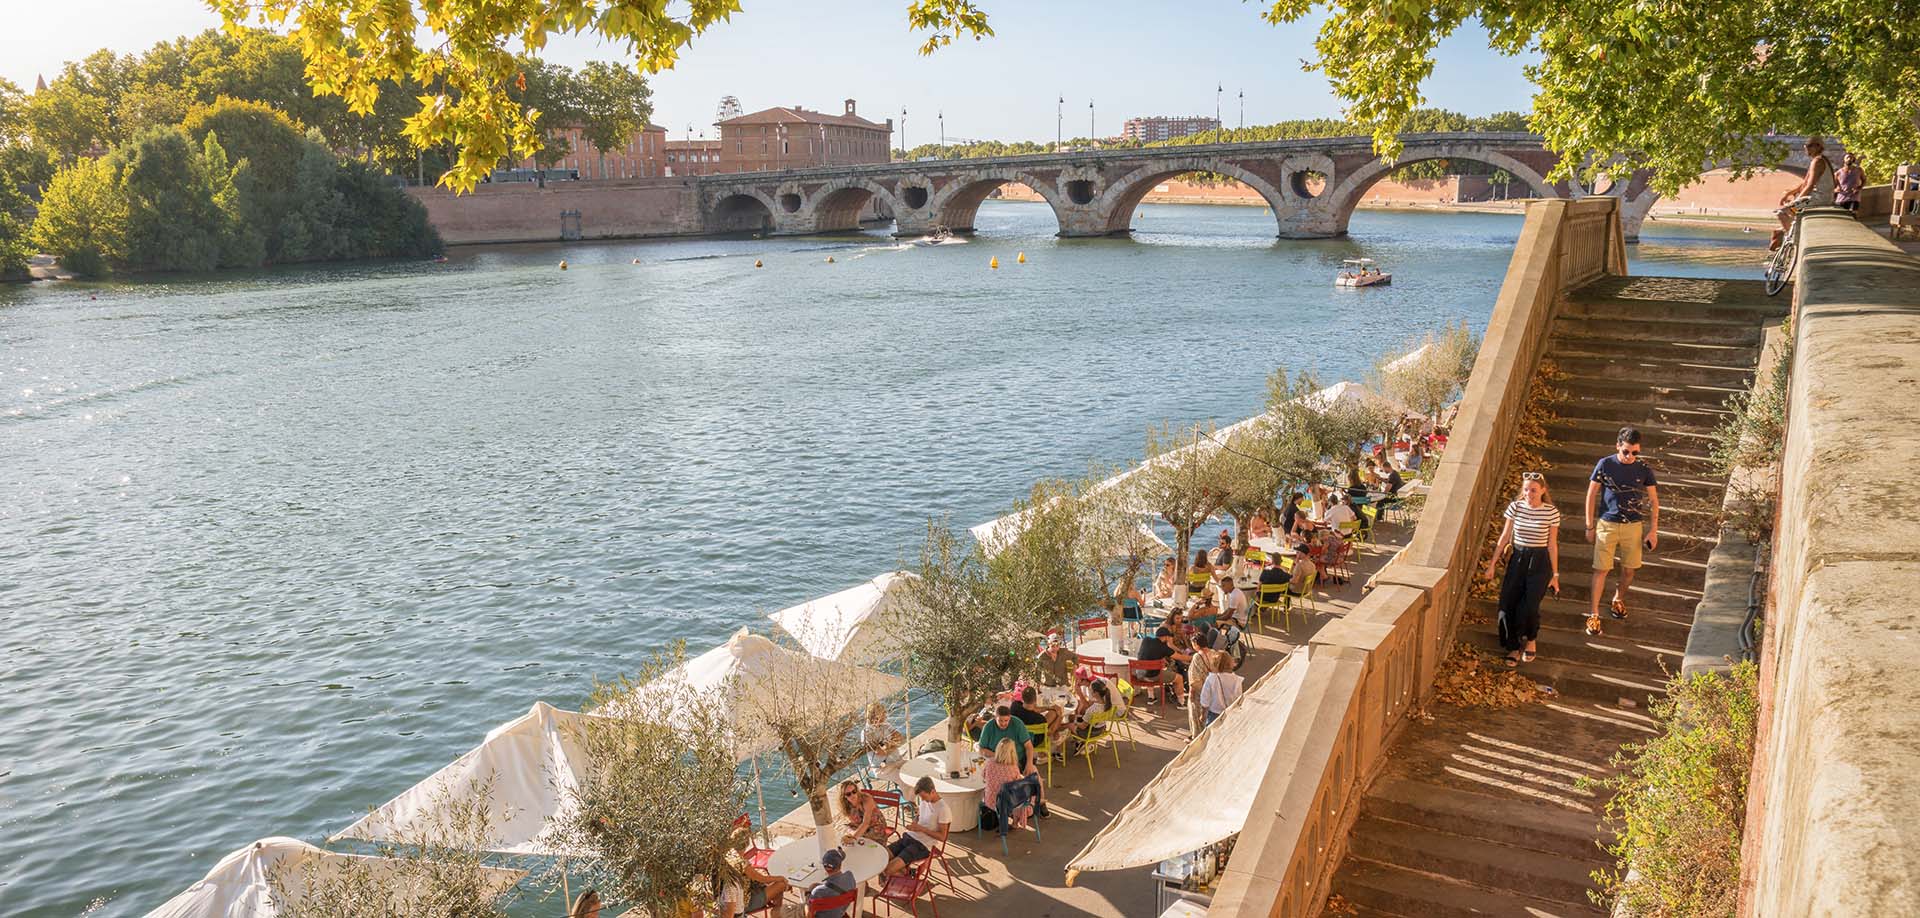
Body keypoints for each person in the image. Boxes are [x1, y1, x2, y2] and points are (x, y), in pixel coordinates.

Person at [1585, 427, 1659, 635]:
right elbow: (1591, 494)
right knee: (1601, 569)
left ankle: (1618, 599)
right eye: (1626, 451)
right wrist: (1589, 525)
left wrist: (1653, 530)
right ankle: (1593, 614)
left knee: (1629, 570)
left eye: (1635, 452)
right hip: (1607, 524)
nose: (1630, 456)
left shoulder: (1643, 468)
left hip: (1633, 526)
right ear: (1617, 446)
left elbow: (1654, 500)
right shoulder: (1605, 464)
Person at [1483, 471, 1562, 666]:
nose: (1529, 494)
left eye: (1533, 490)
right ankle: (1513, 646)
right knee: (1506, 606)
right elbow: (1504, 536)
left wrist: (1555, 575)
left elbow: (1552, 545)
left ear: (1543, 490)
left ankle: (1531, 639)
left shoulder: (1551, 512)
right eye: (1526, 490)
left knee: (1529, 607)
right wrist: (1492, 564)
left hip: (1540, 562)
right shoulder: (1515, 507)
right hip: (1517, 558)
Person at [1774, 137, 1836, 248]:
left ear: (1818, 147)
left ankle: (1793, 240)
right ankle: (1791, 231)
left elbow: (1810, 186)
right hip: (1818, 197)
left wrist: (1795, 202)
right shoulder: (1817, 160)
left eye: (1809, 146)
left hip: (1820, 198)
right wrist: (1788, 193)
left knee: (1782, 212)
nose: (1806, 148)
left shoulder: (1818, 161)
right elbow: (1805, 182)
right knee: (1790, 210)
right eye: (1805, 146)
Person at [882, 776, 949, 878]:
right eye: (921, 797)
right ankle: (908, 872)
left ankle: (909, 875)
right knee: (880, 859)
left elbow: (942, 837)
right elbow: (919, 815)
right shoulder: (924, 801)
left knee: (887, 870)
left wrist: (921, 829)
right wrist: (914, 824)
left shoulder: (943, 809)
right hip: (909, 837)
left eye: (924, 796)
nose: (922, 799)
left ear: (932, 791)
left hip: (922, 845)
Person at [718, 825, 791, 917]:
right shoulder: (742, 863)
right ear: (746, 844)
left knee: (775, 885)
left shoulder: (728, 854)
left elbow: (753, 876)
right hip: (746, 903)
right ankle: (777, 913)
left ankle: (776, 909)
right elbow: (762, 879)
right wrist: (780, 878)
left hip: (731, 899)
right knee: (781, 884)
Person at [979, 738, 1034, 830]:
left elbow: (984, 776)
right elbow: (1017, 784)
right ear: (1012, 752)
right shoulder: (1013, 767)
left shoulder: (989, 763)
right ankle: (1015, 822)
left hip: (990, 801)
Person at [1135, 626, 1188, 700]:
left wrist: (1162, 658)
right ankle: (1181, 702)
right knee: (1179, 678)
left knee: (1149, 668)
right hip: (1152, 677)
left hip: (1139, 674)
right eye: (1168, 637)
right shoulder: (1164, 648)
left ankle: (1151, 697)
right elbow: (1180, 657)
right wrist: (1194, 657)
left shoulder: (1146, 640)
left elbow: (1149, 653)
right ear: (1166, 637)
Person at [807, 848, 858, 918]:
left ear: (825, 867)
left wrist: (808, 894)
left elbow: (809, 915)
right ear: (840, 864)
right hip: (840, 914)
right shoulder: (850, 876)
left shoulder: (818, 892)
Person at [1197, 650, 1244, 726]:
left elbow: (1205, 700)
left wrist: (1203, 715)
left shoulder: (1211, 678)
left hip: (1214, 715)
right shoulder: (1237, 680)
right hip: (1231, 713)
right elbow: (1239, 698)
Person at [836, 779, 891, 844]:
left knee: (859, 840)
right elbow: (854, 822)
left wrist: (853, 837)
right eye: (848, 794)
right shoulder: (846, 806)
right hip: (861, 826)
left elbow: (866, 823)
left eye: (854, 791)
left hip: (876, 825)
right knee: (845, 831)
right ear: (844, 796)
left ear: (857, 790)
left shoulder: (866, 799)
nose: (852, 795)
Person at [862, 702, 905, 784]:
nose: (885, 716)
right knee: (905, 779)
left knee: (915, 771)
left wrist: (887, 746)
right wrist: (893, 744)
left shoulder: (885, 724)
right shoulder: (867, 733)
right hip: (883, 768)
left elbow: (900, 738)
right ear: (875, 716)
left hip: (897, 760)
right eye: (883, 714)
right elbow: (880, 752)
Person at [1184, 634, 1218, 735]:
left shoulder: (1197, 656)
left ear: (1196, 644)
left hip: (1201, 689)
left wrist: (1191, 692)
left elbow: (1194, 678)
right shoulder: (1214, 653)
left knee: (1196, 712)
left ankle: (1197, 735)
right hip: (1213, 687)